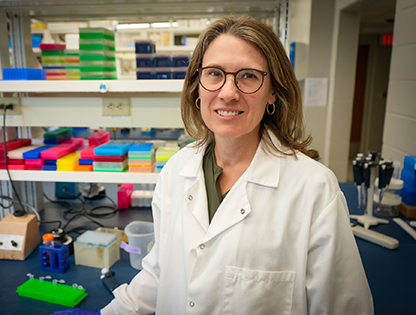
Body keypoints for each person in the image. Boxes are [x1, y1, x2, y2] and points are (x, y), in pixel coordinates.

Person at [53, 15, 373, 315]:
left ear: (273, 92)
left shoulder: (314, 188)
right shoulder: (177, 171)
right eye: (215, 74)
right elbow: (160, 272)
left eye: (248, 76)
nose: (228, 93)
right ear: (198, 85)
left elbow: (344, 306)